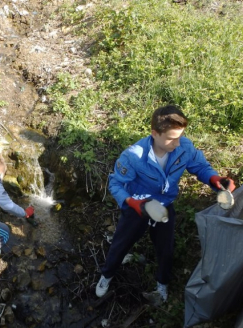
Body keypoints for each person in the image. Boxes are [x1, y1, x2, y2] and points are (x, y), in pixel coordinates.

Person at [95, 105, 235, 303]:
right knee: (121, 243)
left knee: (165, 247)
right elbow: (116, 183)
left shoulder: (184, 148)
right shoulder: (134, 156)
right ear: (155, 133)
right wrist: (131, 202)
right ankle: (106, 276)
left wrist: (214, 179)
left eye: (180, 136)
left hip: (164, 206)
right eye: (171, 138)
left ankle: (162, 285)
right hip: (139, 207)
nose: (177, 143)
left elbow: (200, 166)